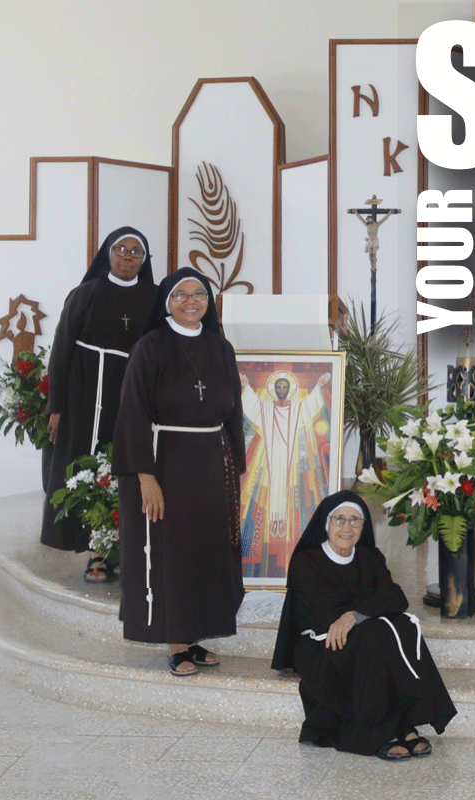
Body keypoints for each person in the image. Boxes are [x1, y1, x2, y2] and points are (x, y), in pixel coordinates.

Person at [112, 267, 245, 676]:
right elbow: (132, 411)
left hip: (212, 460)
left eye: (198, 294)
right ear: (167, 302)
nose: (190, 302)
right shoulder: (150, 346)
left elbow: (234, 411)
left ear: (209, 301)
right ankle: (175, 641)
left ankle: (197, 635)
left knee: (206, 549)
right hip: (165, 459)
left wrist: (236, 466)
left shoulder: (220, 347)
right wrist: (144, 476)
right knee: (173, 550)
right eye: (180, 295)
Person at [271, 491, 457, 760]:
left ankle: (400, 722)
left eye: (355, 520)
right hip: (320, 645)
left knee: (401, 628)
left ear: (363, 526)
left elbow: (396, 597)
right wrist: (366, 611)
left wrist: (355, 615)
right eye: (339, 519)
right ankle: (380, 731)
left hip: (359, 637)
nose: (347, 527)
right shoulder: (306, 561)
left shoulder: (370, 558)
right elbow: (324, 615)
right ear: (326, 523)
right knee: (376, 633)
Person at [41, 227, 158, 582]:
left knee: (128, 469)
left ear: (144, 260)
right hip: (85, 396)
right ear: (108, 252)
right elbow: (61, 351)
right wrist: (56, 406)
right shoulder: (85, 294)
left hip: (133, 395)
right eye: (121, 249)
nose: (127, 257)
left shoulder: (155, 298)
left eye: (136, 251)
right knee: (89, 470)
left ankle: (124, 550)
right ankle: (96, 553)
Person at [239, 369, 332, 571]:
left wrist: (319, 386)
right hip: (272, 456)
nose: (282, 389)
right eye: (279, 386)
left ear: (290, 389)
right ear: (274, 389)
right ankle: (275, 522)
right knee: (274, 484)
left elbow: (309, 406)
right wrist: (245, 386)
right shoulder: (267, 409)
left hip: (289, 456)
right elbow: (254, 406)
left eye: (285, 386)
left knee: (286, 485)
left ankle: (282, 524)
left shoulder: (297, 408)